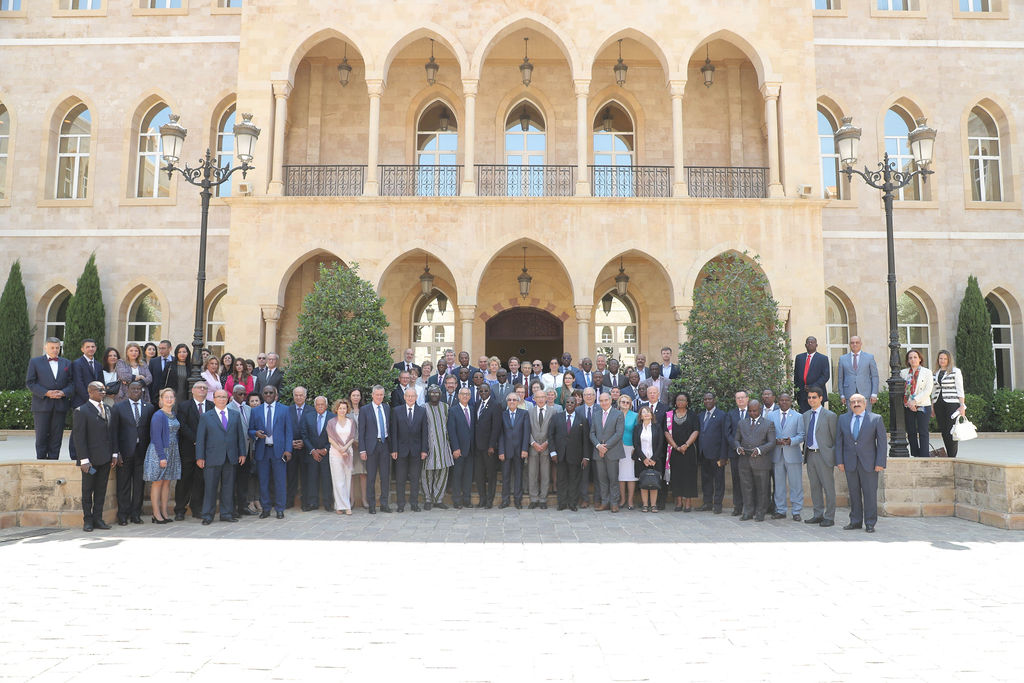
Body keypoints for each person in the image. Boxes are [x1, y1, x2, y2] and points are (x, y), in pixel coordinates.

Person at [195, 389, 247, 525]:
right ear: (214, 398)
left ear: (228, 399)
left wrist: (242, 453)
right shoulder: (206, 416)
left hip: (231, 456)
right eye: (219, 397)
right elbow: (201, 439)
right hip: (212, 457)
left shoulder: (235, 415)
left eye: (224, 397)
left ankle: (226, 513)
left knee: (228, 487)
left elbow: (240, 436)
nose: (222, 399)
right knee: (210, 488)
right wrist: (200, 457)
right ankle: (207, 515)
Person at [837, 394, 887, 532]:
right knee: (853, 493)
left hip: (869, 464)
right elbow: (839, 442)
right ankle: (855, 521)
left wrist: (880, 462)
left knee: (870, 493)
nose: (856, 404)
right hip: (850, 463)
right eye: (853, 402)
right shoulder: (842, 419)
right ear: (849, 404)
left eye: (859, 401)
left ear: (865, 404)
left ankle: (870, 523)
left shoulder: (875, 419)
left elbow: (882, 443)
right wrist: (839, 461)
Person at [72, 381, 116, 531]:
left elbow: (112, 434)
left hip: (105, 458)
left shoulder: (108, 409)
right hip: (89, 461)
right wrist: (84, 460)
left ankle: (98, 519)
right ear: (90, 392)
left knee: (101, 490)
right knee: (87, 491)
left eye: (104, 390)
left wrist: (114, 454)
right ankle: (88, 520)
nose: (103, 392)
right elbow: (79, 438)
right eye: (100, 390)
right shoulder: (81, 411)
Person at [110, 381, 153, 525]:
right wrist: (116, 452)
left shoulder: (149, 408)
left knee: (139, 486)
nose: (136, 391)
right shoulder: (118, 407)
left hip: (142, 453)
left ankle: (136, 514)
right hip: (124, 453)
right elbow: (113, 432)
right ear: (128, 390)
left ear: (142, 391)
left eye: (139, 389)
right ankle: (123, 515)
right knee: (123, 485)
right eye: (133, 388)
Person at [249, 385, 293, 519]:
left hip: (279, 452)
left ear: (275, 394)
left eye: (271, 393)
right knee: (263, 481)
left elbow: (288, 432)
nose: (268, 395)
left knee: (280, 481)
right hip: (263, 451)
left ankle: (280, 509)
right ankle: (266, 509)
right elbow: (250, 430)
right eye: (266, 393)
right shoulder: (256, 411)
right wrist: (255, 433)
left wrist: (288, 450)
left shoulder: (284, 410)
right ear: (263, 394)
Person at [731, 399, 776, 521]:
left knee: (762, 489)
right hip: (744, 461)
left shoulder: (768, 423)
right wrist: (738, 447)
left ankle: (760, 512)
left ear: (760, 410)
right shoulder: (742, 423)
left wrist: (760, 450)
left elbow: (772, 442)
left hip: (761, 462)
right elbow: (736, 439)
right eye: (750, 411)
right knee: (746, 488)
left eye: (754, 411)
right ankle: (748, 512)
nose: (752, 413)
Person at [175, 381, 213, 520]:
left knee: (200, 480)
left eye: (204, 388)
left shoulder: (211, 406)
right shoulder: (184, 406)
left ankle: (197, 508)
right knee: (184, 480)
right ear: (193, 390)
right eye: (199, 387)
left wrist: (203, 442)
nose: (202, 389)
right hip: (188, 449)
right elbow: (182, 426)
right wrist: (196, 440)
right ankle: (180, 509)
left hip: (205, 451)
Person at [801, 386, 838, 527]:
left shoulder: (830, 416)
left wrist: (832, 457)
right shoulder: (805, 416)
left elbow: (835, 439)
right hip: (810, 455)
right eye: (809, 397)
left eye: (814, 397)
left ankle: (829, 516)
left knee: (828, 488)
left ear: (821, 398)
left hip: (824, 456)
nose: (811, 400)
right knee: (814, 487)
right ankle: (818, 514)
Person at [145, 388, 180, 523]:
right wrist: (161, 456)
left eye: (171, 397)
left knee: (167, 482)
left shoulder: (173, 414)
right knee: (158, 482)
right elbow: (156, 437)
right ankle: (156, 514)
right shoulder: (158, 415)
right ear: (161, 399)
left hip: (172, 451)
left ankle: (165, 512)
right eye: (166, 397)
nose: (169, 399)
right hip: (160, 451)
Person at [391, 386, 428, 512]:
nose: (410, 398)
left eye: (413, 396)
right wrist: (394, 449)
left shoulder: (422, 411)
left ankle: (414, 504)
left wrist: (424, 450)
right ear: (404, 397)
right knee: (400, 479)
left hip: (417, 451)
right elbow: (394, 432)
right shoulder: (397, 411)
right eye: (408, 396)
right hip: (401, 451)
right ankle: (400, 505)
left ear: (416, 397)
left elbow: (425, 432)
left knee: (414, 479)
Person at [768, 393, 805, 521]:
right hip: (777, 454)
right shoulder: (771, 415)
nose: (784, 402)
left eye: (786, 400)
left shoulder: (798, 416)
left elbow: (801, 435)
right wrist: (774, 441)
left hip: (793, 454)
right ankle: (780, 510)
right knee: (779, 484)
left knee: (796, 484)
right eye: (781, 400)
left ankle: (796, 511)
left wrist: (791, 441)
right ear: (778, 402)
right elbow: (768, 434)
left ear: (791, 401)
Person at [358, 385, 392, 514]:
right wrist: (362, 450)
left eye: (381, 395)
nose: (379, 397)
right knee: (371, 478)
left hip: (384, 446)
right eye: (377, 394)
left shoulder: (387, 408)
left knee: (385, 477)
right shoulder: (365, 410)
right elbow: (361, 431)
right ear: (372, 395)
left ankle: (384, 504)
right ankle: (371, 505)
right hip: (371, 447)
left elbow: (390, 428)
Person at [548, 396, 585, 511]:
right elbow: (551, 436)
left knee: (574, 480)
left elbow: (585, 440)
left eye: (572, 402)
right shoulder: (556, 418)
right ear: (564, 404)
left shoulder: (582, 419)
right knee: (561, 480)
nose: (569, 404)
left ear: (576, 404)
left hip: (575, 455)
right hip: (560, 455)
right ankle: (562, 503)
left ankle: (572, 503)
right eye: (568, 402)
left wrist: (586, 457)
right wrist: (553, 452)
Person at [590, 391, 625, 512]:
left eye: (606, 400)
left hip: (612, 452)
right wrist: (599, 446)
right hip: (598, 452)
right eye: (601, 401)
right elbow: (592, 433)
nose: (604, 403)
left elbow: (619, 433)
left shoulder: (618, 414)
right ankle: (604, 502)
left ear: (610, 401)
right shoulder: (596, 414)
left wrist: (605, 447)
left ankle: (614, 503)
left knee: (613, 478)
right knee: (602, 479)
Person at [666, 391, 700, 512]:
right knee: (677, 477)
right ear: (675, 402)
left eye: (683, 400)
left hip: (689, 451)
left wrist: (686, 445)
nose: (680, 402)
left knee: (689, 476)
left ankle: (688, 503)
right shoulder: (669, 415)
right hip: (674, 451)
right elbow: (666, 432)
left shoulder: (692, 415)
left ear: (687, 402)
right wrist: (676, 446)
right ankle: (679, 502)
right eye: (678, 400)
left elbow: (696, 431)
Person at [422, 384, 455, 510]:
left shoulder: (446, 407)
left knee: (442, 473)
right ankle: (428, 499)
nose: (434, 395)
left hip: (443, 446)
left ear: (440, 394)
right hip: (429, 446)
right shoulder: (423, 408)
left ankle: (438, 499)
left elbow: (449, 427)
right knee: (427, 473)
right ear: (428, 394)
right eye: (432, 393)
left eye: (436, 393)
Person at [226, 384, 256, 516]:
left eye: (245, 394)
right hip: (234, 451)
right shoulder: (228, 408)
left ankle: (243, 506)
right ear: (233, 394)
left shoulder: (249, 409)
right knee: (232, 481)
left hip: (248, 450)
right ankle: (232, 508)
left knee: (244, 480)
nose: (243, 397)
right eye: (240, 394)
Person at [301, 396, 335, 512]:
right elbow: (304, 435)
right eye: (318, 404)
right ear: (315, 406)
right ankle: (312, 503)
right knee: (312, 479)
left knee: (327, 479)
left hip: (327, 454)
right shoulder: (308, 417)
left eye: (322, 404)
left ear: (326, 405)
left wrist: (326, 449)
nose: (320, 406)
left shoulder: (332, 417)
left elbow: (335, 436)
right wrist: (313, 450)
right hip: (312, 454)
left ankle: (328, 503)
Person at [697, 393, 729, 514]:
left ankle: (718, 504)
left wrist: (723, 456)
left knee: (719, 480)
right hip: (704, 454)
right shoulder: (700, 415)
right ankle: (707, 503)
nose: (707, 401)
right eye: (705, 399)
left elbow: (724, 436)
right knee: (706, 480)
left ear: (714, 400)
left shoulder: (722, 415)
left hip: (717, 455)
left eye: (709, 399)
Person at [524, 389, 556, 509]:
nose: (541, 399)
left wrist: (547, 443)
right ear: (534, 399)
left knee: (545, 474)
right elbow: (527, 429)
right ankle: (534, 498)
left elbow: (553, 430)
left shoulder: (552, 412)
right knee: (532, 473)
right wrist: (533, 443)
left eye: (543, 397)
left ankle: (543, 499)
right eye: (539, 397)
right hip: (533, 447)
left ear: (546, 398)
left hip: (546, 447)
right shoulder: (529, 411)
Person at [498, 393, 530, 509]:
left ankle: (518, 500)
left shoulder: (524, 414)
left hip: (519, 451)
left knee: (518, 476)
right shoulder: (502, 415)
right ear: (507, 402)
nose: (512, 402)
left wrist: (525, 449)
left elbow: (526, 433)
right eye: (510, 400)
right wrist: (501, 451)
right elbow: (500, 434)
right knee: (505, 476)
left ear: (518, 401)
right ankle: (505, 500)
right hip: (506, 451)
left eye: (514, 400)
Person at [472, 383, 502, 508]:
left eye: (485, 390)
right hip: (478, 446)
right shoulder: (477, 404)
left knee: (491, 474)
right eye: (481, 390)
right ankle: (482, 499)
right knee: (479, 475)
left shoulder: (495, 405)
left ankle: (490, 499)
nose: (483, 392)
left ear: (489, 391)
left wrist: (492, 445)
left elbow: (496, 428)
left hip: (489, 447)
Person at [932, 350, 967, 458]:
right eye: (940, 358)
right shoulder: (935, 373)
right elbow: (933, 390)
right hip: (938, 404)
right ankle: (949, 454)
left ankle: (952, 456)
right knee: (943, 430)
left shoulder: (955, 371)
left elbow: (960, 389)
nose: (942, 360)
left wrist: (962, 406)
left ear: (949, 360)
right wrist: (932, 406)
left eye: (945, 359)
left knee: (951, 430)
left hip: (952, 404)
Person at [632, 405, 667, 512]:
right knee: (643, 483)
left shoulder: (657, 427)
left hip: (655, 460)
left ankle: (653, 505)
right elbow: (636, 444)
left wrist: (653, 458)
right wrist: (644, 459)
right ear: (641, 416)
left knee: (654, 482)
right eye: (643, 412)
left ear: (651, 415)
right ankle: (645, 505)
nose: (646, 413)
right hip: (641, 460)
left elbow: (661, 443)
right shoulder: (637, 428)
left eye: (648, 412)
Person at [901, 349, 934, 457]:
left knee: (923, 431)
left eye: (915, 357)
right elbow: (901, 390)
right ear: (908, 360)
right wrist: (909, 404)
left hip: (923, 405)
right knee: (911, 432)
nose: (913, 359)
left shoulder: (927, 372)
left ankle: (924, 455)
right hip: (908, 406)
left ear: (920, 359)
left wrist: (915, 401)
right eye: (910, 358)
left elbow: (928, 390)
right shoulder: (903, 373)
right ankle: (915, 454)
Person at [447, 387, 476, 509]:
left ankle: (467, 499)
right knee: (457, 476)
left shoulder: (473, 410)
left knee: (468, 476)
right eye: (463, 394)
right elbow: (451, 431)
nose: (465, 396)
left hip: (471, 450)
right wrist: (455, 448)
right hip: (458, 450)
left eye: (467, 394)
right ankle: (457, 500)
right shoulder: (453, 411)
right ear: (458, 396)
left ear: (470, 396)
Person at [326, 398, 357, 514]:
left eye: (344, 408)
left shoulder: (351, 422)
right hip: (335, 453)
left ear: (347, 409)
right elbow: (330, 438)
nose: (342, 410)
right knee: (338, 479)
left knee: (347, 479)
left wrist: (345, 448)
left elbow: (352, 437)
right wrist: (340, 449)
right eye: (340, 408)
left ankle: (347, 506)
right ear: (336, 409)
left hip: (348, 452)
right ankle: (340, 506)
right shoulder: (331, 422)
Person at [837, 336, 879, 412]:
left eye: (857, 342)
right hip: (849, 393)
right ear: (849, 344)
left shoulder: (869, 357)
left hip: (866, 393)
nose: (855, 344)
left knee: (866, 418)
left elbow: (874, 376)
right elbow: (840, 378)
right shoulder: (842, 359)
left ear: (861, 344)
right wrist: (842, 394)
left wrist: (874, 393)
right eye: (852, 343)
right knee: (851, 418)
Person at [726, 391, 751, 516]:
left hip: (750, 453)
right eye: (738, 398)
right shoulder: (731, 414)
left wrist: (747, 447)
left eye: (742, 398)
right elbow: (728, 433)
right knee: (736, 480)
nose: (740, 400)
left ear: (747, 399)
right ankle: (738, 506)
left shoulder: (753, 412)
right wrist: (737, 446)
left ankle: (749, 506)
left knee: (749, 480)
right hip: (735, 453)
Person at [286, 386, 310, 508]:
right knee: (291, 476)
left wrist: (304, 442)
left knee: (306, 477)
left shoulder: (311, 410)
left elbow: (313, 431)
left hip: (306, 449)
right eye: (296, 395)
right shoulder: (287, 410)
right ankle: (289, 501)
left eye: (301, 395)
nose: (299, 397)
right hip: (291, 449)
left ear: (305, 396)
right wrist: (290, 442)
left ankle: (305, 502)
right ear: (293, 396)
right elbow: (284, 429)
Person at [575, 387, 599, 508]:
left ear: (595, 396)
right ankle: (584, 498)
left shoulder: (600, 408)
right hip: (582, 446)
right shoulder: (577, 410)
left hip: (597, 446)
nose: (589, 397)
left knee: (598, 474)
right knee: (583, 474)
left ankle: (597, 499)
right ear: (583, 397)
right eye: (586, 395)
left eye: (591, 394)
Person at [794, 336, 830, 412]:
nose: (810, 344)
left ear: (816, 345)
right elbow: (796, 376)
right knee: (803, 418)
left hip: (817, 393)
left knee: (816, 417)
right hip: (802, 394)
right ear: (805, 345)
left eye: (812, 342)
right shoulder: (799, 358)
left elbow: (825, 376)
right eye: (808, 342)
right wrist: (796, 393)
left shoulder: (823, 358)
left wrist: (812, 387)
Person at [617, 394, 638, 510]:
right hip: (617, 447)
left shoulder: (635, 416)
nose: (625, 404)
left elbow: (637, 432)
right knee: (620, 475)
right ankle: (622, 499)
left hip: (630, 447)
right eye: (623, 402)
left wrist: (636, 447)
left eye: (627, 402)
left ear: (630, 405)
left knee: (630, 475)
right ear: (619, 403)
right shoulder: (615, 414)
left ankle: (630, 500)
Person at [348, 388, 367, 508]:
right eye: (353, 395)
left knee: (363, 473)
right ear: (350, 397)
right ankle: (351, 500)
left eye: (358, 395)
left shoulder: (364, 410)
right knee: (350, 473)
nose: (356, 397)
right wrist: (352, 441)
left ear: (360, 397)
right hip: (350, 446)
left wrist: (362, 442)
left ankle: (364, 499)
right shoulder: (346, 410)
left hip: (362, 446)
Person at [148, 339, 173, 405]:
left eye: (163, 348)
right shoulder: (153, 361)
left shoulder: (175, 361)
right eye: (159, 348)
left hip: (171, 396)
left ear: (170, 348)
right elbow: (150, 379)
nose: (161, 351)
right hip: (156, 397)